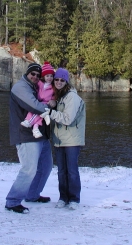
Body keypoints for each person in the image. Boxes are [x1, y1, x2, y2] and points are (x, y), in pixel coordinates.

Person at [5, 62, 56, 214]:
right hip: (25, 135)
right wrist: (52, 106)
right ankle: (13, 201)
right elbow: (34, 106)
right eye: (32, 74)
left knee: (46, 167)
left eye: (37, 75)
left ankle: (32, 195)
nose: (34, 77)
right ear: (27, 74)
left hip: (40, 134)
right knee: (29, 170)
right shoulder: (20, 87)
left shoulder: (36, 86)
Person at [40, 68, 86, 210]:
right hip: (59, 139)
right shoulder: (59, 96)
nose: (59, 82)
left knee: (71, 170)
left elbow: (67, 119)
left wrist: (51, 112)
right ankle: (63, 198)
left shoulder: (72, 97)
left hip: (72, 140)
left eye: (62, 80)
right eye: (57, 79)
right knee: (61, 171)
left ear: (66, 82)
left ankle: (74, 199)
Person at [21, 61, 55, 138]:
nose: (49, 78)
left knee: (39, 114)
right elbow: (33, 85)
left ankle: (34, 128)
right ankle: (29, 122)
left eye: (51, 76)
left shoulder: (53, 88)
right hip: (38, 101)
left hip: (46, 103)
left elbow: (54, 97)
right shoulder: (39, 83)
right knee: (35, 111)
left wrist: (53, 101)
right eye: (47, 76)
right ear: (43, 77)